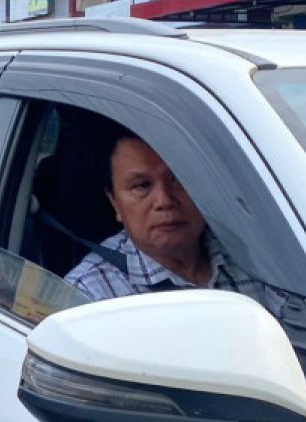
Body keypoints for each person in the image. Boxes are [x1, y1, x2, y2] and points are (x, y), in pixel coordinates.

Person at [64, 128, 285, 315]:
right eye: (142, 186)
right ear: (114, 202)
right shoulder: (89, 297)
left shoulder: (253, 260)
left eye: (179, 179)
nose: (164, 201)